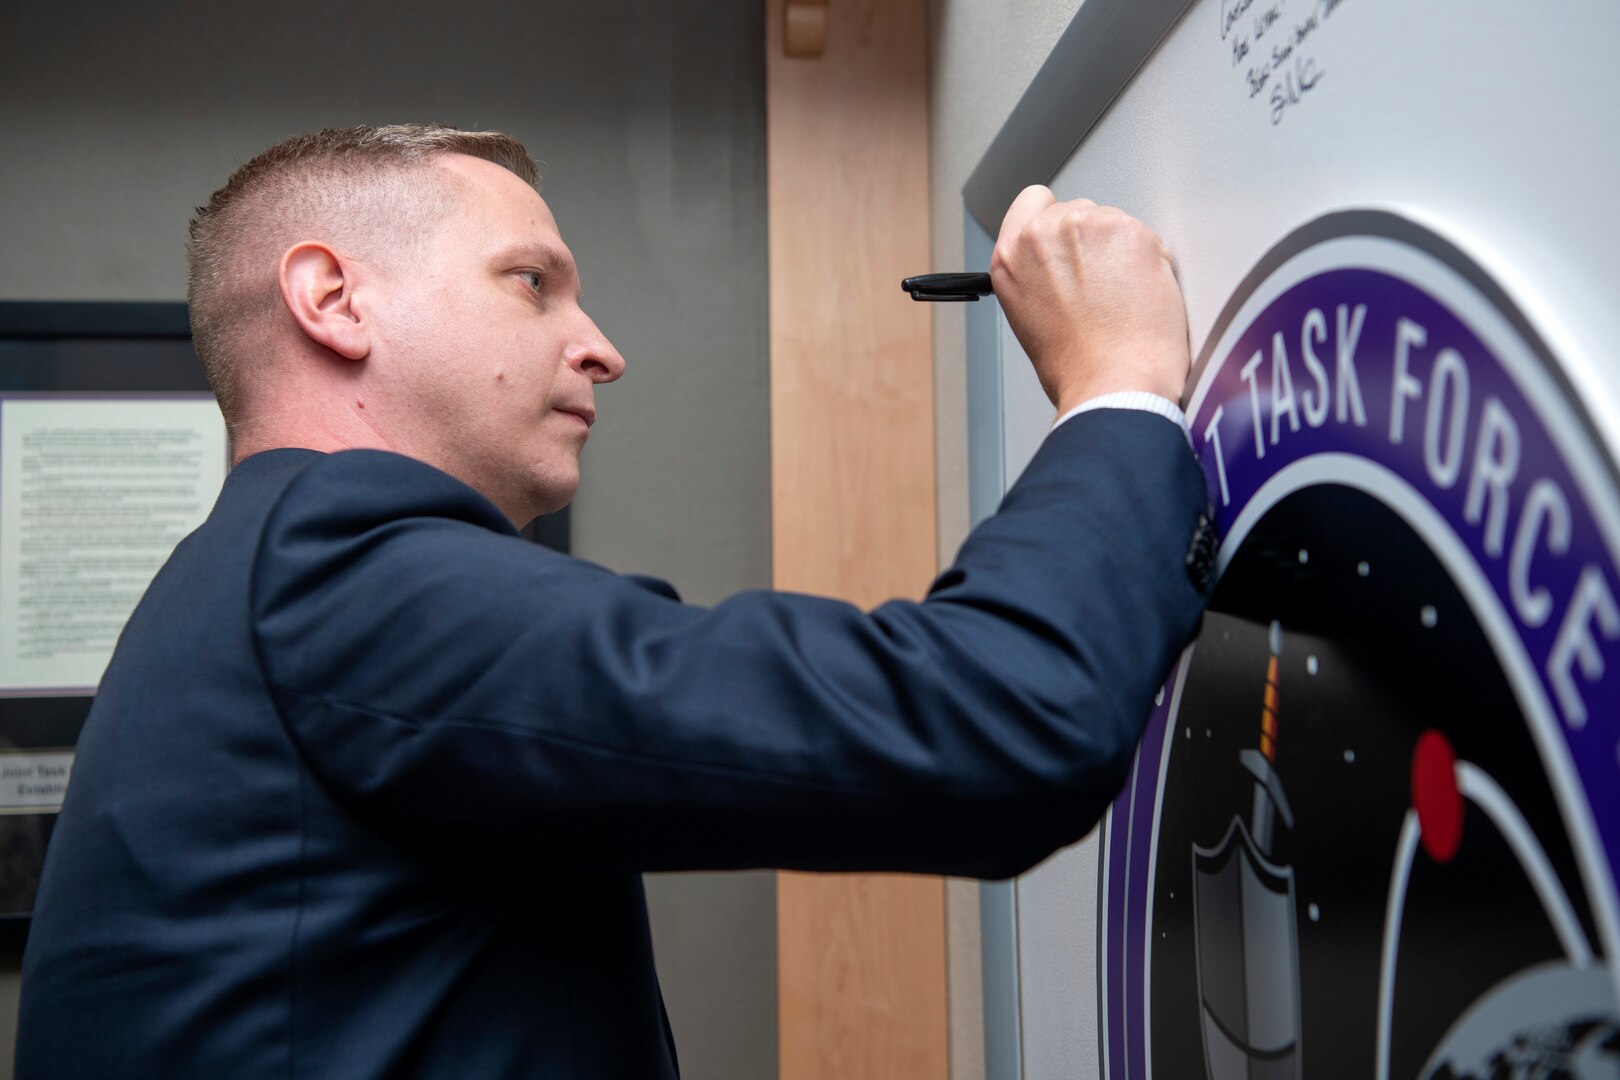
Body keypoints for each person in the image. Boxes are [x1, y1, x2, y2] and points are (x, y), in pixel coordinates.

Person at [16, 124, 1208, 1078]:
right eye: (531, 282)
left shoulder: (246, 579)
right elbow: (995, 721)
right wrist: (1118, 386)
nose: (601, 347)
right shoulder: (342, 572)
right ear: (334, 300)